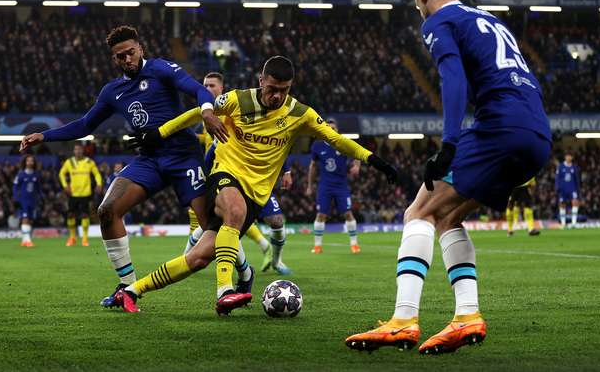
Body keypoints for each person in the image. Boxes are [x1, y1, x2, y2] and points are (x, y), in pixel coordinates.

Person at [346, 0, 551, 355]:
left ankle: (403, 320)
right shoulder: (490, 21)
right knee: (448, 217)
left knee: (418, 212)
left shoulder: (438, 22)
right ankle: (467, 316)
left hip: (500, 129)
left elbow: (452, 79)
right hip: (537, 133)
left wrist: (450, 144)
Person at [112, 56, 397, 315]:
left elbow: (336, 139)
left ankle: (132, 291)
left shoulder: (299, 114)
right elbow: (198, 112)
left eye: (284, 90)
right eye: (272, 88)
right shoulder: (236, 100)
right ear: (261, 81)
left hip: (257, 194)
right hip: (224, 175)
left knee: (198, 258)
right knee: (233, 211)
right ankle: (225, 290)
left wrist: (374, 159)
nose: (277, 96)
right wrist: (158, 133)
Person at [19, 25, 228, 307]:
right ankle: (127, 286)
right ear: (114, 59)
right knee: (107, 210)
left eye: (130, 52)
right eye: (120, 56)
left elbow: (197, 89)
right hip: (150, 160)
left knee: (211, 227)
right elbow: (84, 124)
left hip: (183, 156)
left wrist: (208, 113)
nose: (127, 59)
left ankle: (242, 274)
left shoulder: (161, 68)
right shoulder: (112, 92)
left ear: (140, 48)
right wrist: (45, 135)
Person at [185, 71, 288, 276]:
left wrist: (287, 170)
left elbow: (274, 141)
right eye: (204, 85)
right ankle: (194, 259)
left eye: (211, 85)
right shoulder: (205, 114)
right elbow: (207, 146)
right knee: (217, 221)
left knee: (274, 221)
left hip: (253, 178)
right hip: (223, 176)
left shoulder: (234, 108)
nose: (207, 89)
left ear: (222, 88)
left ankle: (274, 260)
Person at [308, 118, 362, 254]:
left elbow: (358, 153)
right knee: (321, 215)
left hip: (341, 186)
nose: (332, 130)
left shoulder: (343, 143)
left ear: (337, 130)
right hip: (325, 186)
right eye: (329, 128)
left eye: (334, 128)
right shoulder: (317, 145)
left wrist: (356, 165)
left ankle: (354, 244)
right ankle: (317, 246)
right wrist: (310, 185)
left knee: (348, 213)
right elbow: (313, 166)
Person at [58, 143, 102, 247]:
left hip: (85, 193)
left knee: (85, 215)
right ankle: (72, 237)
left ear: (83, 151)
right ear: (73, 151)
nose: (78, 151)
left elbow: (97, 174)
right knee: (70, 215)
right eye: (76, 149)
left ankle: (84, 239)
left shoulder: (89, 162)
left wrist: (99, 184)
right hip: (73, 193)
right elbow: (61, 174)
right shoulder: (69, 162)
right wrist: (65, 186)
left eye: (79, 149)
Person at [14, 154, 43, 247]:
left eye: (32, 160)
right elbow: (15, 187)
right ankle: (28, 240)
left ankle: (24, 240)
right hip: (23, 200)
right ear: (25, 162)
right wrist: (16, 198)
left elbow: (39, 188)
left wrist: (41, 197)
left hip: (33, 201)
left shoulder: (36, 174)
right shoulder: (20, 174)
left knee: (30, 220)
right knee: (25, 219)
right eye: (28, 160)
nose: (30, 162)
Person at [556, 153, 581, 229]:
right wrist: (557, 187)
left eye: (570, 156)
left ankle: (574, 223)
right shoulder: (560, 166)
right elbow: (557, 178)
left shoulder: (574, 167)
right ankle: (563, 223)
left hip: (572, 188)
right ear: (565, 157)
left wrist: (578, 189)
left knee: (575, 203)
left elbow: (577, 179)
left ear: (572, 157)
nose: (568, 157)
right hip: (563, 189)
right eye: (567, 156)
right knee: (562, 205)